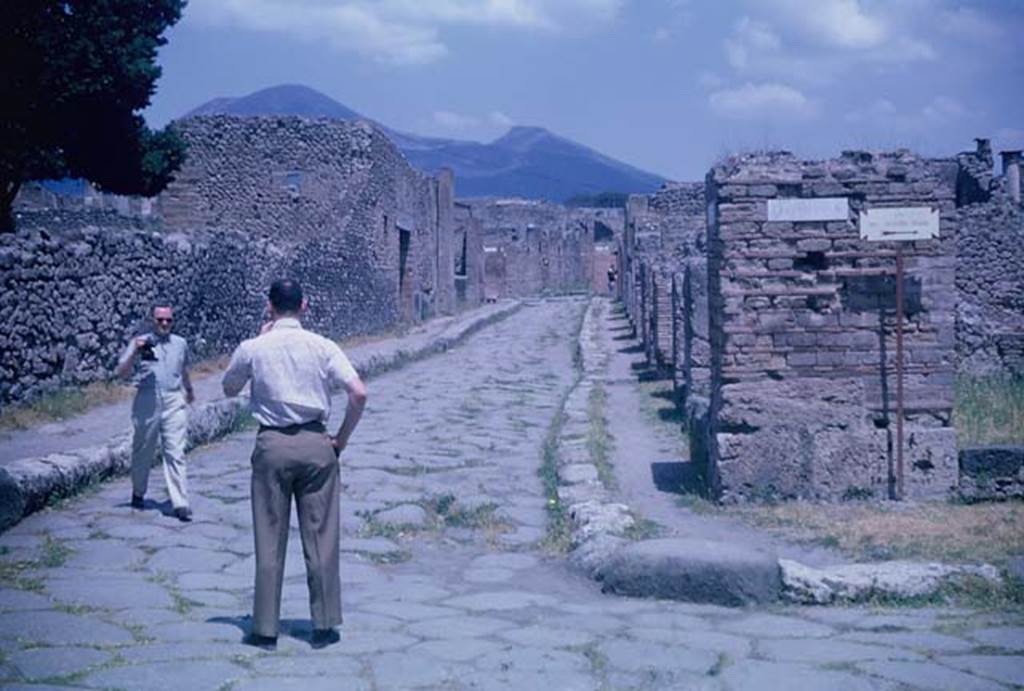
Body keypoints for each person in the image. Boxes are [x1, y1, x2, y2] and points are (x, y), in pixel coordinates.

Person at [222, 279, 368, 650]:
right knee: (321, 537)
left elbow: (228, 387)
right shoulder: (323, 346)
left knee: (269, 537)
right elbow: (358, 393)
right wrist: (340, 440)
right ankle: (324, 624)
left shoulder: (254, 347)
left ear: (269, 306)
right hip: (318, 443)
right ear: (304, 305)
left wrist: (257, 341)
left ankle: (266, 628)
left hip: (272, 444)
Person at [115, 304, 195, 522]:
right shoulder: (141, 342)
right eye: (160, 320)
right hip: (147, 399)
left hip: (173, 399)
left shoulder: (180, 343)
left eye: (168, 320)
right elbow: (121, 371)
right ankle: (138, 491)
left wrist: (189, 390)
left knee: (175, 451)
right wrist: (134, 350)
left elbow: (184, 368)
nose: (165, 324)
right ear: (152, 321)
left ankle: (180, 503)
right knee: (143, 449)